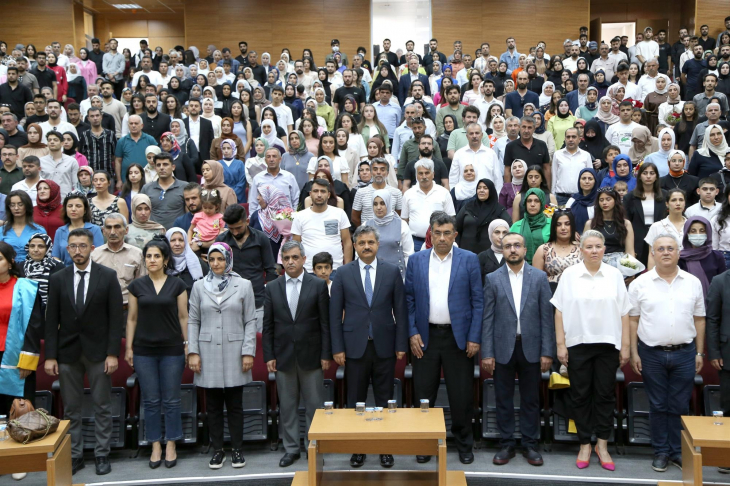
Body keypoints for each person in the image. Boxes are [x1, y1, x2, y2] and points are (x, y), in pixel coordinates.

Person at [45, 228, 123, 476]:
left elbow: (116, 319)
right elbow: (51, 320)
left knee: (102, 405)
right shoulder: (58, 278)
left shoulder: (108, 276)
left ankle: (102, 454)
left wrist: (113, 353)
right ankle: (75, 455)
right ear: (67, 249)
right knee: (71, 408)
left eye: (82, 246)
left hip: (99, 352)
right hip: (67, 352)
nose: (77, 251)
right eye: (72, 246)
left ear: (91, 248)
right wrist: (50, 355)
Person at [406, 212, 482, 465]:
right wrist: (412, 332)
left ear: (455, 235)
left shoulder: (469, 260)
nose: (441, 238)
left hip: (458, 339)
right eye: (437, 233)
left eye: (447, 233)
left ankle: (463, 444)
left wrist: (474, 336)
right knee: (424, 396)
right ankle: (425, 443)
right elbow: (409, 301)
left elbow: (477, 302)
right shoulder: (416, 260)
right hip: (425, 338)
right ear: (430, 233)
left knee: (461, 396)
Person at [551, 230, 631, 472]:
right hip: (578, 344)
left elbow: (625, 312)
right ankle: (585, 443)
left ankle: (602, 445)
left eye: (598, 246)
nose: (594, 251)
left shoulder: (615, 275)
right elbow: (559, 311)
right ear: (581, 249)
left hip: (608, 344)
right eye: (589, 247)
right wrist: (561, 344)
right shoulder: (570, 275)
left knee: (605, 395)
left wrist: (625, 346)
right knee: (580, 395)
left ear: (604, 249)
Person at [330, 225, 408, 469]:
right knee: (356, 401)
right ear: (354, 245)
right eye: (361, 242)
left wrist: (401, 343)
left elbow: (401, 312)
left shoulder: (392, 272)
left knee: (385, 401)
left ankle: (386, 448)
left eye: (370, 242)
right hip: (354, 348)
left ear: (377, 244)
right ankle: (359, 448)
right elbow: (334, 316)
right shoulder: (342, 273)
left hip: (384, 346)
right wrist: (337, 348)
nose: (366, 246)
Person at [628, 233, 705, 473]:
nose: (666, 252)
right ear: (653, 253)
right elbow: (632, 321)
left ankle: (677, 452)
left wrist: (700, 353)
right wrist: (633, 353)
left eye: (670, 248)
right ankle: (661, 451)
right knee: (658, 404)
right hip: (651, 353)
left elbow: (700, 319)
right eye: (660, 249)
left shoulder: (693, 282)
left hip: (685, 353)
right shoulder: (640, 283)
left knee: (680, 404)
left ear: (679, 252)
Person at [482, 231, 554, 466]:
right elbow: (488, 319)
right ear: (502, 251)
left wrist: (547, 351)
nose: (512, 249)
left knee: (531, 399)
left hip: (531, 347)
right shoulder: (492, 278)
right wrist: (488, 352)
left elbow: (547, 317)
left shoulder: (539, 277)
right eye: (508, 246)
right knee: (503, 398)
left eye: (517, 246)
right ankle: (506, 444)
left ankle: (530, 444)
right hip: (503, 347)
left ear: (525, 250)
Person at [188, 242, 256, 470]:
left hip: (236, 352)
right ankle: (217, 450)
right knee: (213, 406)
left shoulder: (244, 285)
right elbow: (193, 321)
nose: (216, 263)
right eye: (212, 259)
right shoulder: (198, 286)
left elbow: (250, 321)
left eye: (221, 259)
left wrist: (248, 351)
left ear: (229, 259)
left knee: (236, 405)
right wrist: (193, 351)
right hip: (207, 353)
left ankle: (237, 449)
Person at [263, 240, 330, 467]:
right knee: (288, 406)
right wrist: (269, 355)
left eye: (294, 257)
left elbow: (325, 323)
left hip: (312, 355)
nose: (290, 261)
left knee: (314, 406)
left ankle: (314, 446)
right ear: (281, 261)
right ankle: (291, 449)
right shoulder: (272, 287)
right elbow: (268, 325)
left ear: (303, 259)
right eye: (286, 258)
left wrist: (325, 354)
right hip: (283, 356)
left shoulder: (317, 285)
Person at [126, 236, 188, 469]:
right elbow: (131, 319)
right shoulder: (136, 286)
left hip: (172, 349)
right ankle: (155, 445)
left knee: (171, 400)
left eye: (156, 256)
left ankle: (171, 443)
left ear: (165, 260)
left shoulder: (178, 284)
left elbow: (184, 317)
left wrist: (188, 343)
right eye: (148, 256)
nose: (152, 260)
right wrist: (129, 348)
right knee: (151, 401)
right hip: (143, 351)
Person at [216, 204, 277, 332]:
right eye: (231, 229)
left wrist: (269, 298)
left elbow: (270, 270)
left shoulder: (261, 239)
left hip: (257, 300)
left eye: (238, 228)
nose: (235, 232)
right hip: (229, 302)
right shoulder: (221, 240)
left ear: (247, 221)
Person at [292, 177, 352, 273]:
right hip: (309, 270)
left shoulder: (339, 213)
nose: (319, 195)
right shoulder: (300, 216)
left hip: (335, 269)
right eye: (315, 191)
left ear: (328, 195)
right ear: (310, 194)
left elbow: (347, 242)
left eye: (323, 191)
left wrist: (347, 268)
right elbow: (296, 245)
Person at [91, 213, 146, 319]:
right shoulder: (94, 255)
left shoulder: (137, 254)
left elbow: (141, 286)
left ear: (126, 230)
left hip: (128, 311)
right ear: (103, 231)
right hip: (101, 312)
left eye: (117, 227)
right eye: (108, 227)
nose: (112, 232)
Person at [402, 160, 456, 250]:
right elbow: (404, 220)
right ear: (416, 175)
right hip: (415, 242)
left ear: (433, 174)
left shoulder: (444, 193)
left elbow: (451, 218)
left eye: (427, 173)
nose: (424, 176)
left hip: (439, 241)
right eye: (420, 173)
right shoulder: (408, 194)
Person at [624, 163, 667, 265]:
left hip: (660, 237)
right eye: (645, 173)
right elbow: (626, 222)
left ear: (656, 176)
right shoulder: (629, 198)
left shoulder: (665, 195)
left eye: (652, 173)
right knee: (635, 272)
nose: (648, 176)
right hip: (636, 239)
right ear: (639, 176)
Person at [365, 189, 413, 278]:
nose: (378, 207)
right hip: (373, 276)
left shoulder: (401, 225)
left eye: (382, 203)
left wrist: (410, 277)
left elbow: (408, 254)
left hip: (397, 276)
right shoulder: (366, 225)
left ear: (389, 203)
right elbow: (360, 254)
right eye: (375, 204)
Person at [455, 178, 510, 255]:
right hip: (466, 253)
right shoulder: (468, 207)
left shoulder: (498, 210)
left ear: (491, 191)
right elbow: (455, 227)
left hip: (488, 256)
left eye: (485, 188)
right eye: (479, 188)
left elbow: (509, 227)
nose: (481, 190)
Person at [532, 210, 583, 293]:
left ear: (572, 226)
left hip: (577, 293)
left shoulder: (582, 249)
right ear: (554, 228)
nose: (563, 228)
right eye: (558, 224)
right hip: (550, 294)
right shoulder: (543, 249)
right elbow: (536, 281)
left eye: (567, 224)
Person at [52, 192, 105, 266]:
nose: (73, 209)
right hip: (65, 272)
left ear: (85, 210)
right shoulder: (60, 231)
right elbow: (55, 257)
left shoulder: (95, 230)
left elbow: (99, 256)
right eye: (70, 206)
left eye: (78, 206)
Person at [140, 152, 187, 229]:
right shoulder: (146, 188)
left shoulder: (185, 187)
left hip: (177, 236)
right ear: (155, 168)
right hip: (153, 235)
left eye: (165, 164)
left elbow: (190, 215)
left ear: (173, 167)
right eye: (158, 165)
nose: (161, 167)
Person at [645, 188, 687, 271]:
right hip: (663, 269)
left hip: (689, 268)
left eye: (681, 200)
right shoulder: (656, 226)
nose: (678, 203)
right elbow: (651, 255)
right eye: (674, 200)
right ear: (667, 204)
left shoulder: (691, 225)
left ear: (685, 203)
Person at [23, 232, 64, 309]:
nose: (35, 250)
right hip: (25, 311)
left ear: (48, 248)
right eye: (32, 246)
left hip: (49, 310)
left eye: (41, 246)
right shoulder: (21, 266)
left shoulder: (57, 266)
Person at [164, 227, 208, 299]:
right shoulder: (163, 264)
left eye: (181, 240)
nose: (177, 244)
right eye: (173, 240)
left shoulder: (197, 263)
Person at [510, 188, 551, 264]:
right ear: (525, 203)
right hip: (520, 267)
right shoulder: (516, 226)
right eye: (529, 201)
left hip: (546, 267)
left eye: (536, 201)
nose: (532, 204)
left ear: (542, 203)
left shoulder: (551, 224)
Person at [40, 130, 79, 198]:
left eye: (55, 140)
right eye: (49, 140)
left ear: (62, 143)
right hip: (47, 200)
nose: (52, 142)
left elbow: (76, 184)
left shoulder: (72, 161)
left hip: (65, 199)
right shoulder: (41, 161)